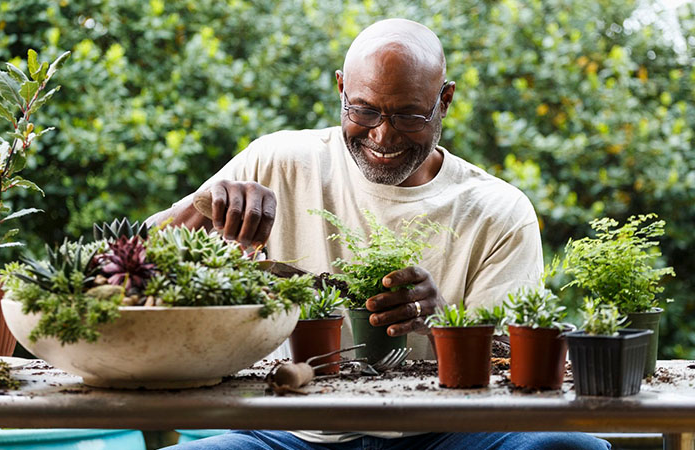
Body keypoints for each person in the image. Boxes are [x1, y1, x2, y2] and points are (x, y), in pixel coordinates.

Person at [153, 18, 610, 450]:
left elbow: (514, 370)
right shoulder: (278, 161)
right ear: (340, 89)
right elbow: (128, 260)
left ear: (444, 100)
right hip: (292, 435)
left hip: (450, 437)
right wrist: (205, 206)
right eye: (364, 110)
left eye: (409, 115)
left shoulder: (497, 210)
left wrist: (441, 323)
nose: (383, 134)